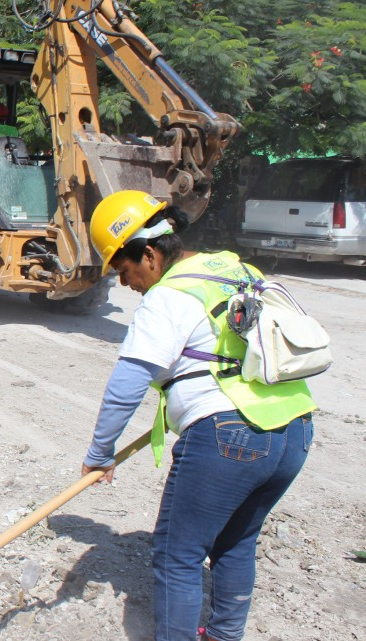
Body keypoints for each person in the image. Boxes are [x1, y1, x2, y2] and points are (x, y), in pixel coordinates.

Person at [81, 190, 315, 641]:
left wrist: (99, 453)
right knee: (236, 542)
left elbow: (126, 386)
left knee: (177, 556)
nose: (126, 284)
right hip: (295, 431)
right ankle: (224, 636)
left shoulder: (168, 296)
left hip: (229, 436)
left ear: (148, 254)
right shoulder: (235, 269)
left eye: (124, 270)